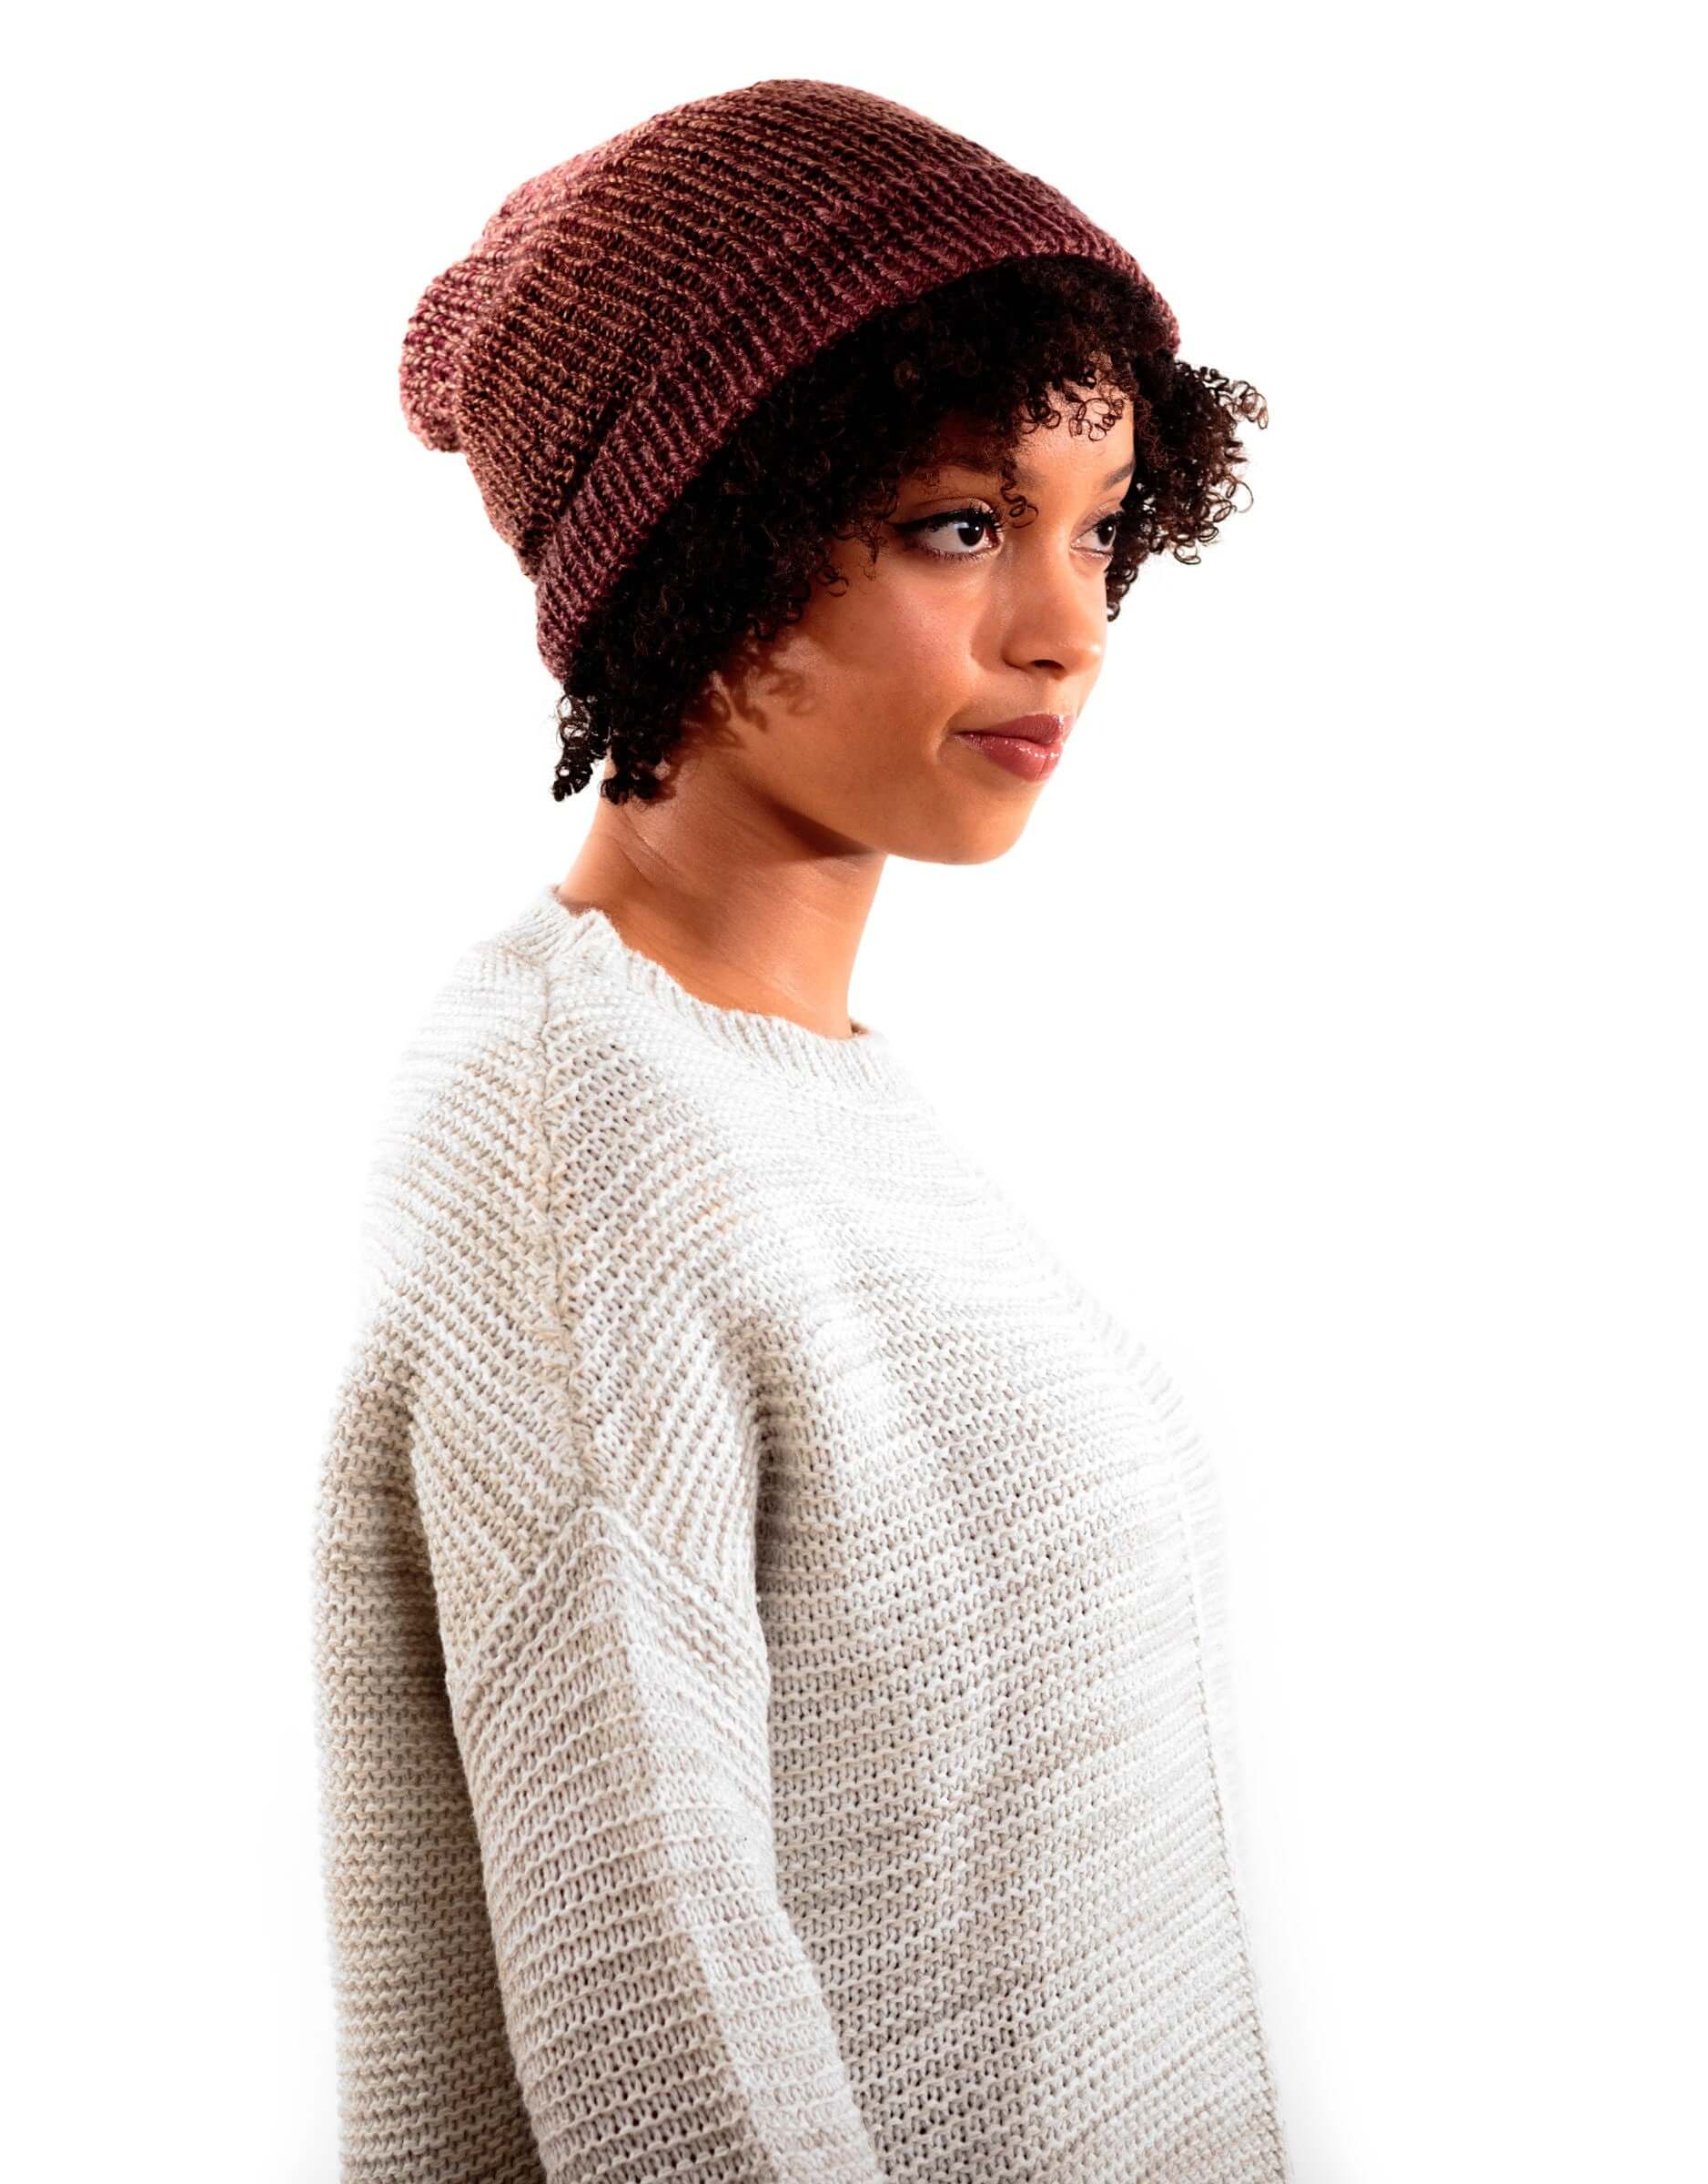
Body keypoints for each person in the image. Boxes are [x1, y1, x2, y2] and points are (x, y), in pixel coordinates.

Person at [315, 76, 1281, 2181]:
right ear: (710, 542)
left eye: (1100, 524)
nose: (1068, 629)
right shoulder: (578, 1146)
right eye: (963, 525)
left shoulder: (803, 1093)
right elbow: (658, 2021)